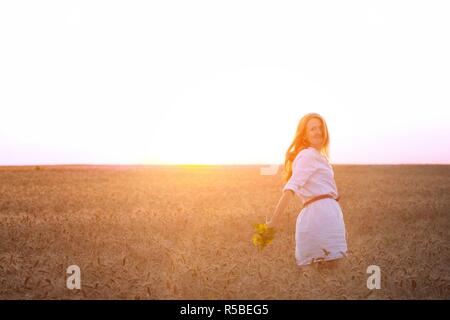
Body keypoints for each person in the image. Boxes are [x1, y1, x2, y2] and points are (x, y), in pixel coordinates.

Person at [267, 113, 348, 268]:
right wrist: (273, 222)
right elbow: (290, 188)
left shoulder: (319, 156)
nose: (318, 132)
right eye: (312, 129)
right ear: (304, 134)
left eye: (320, 128)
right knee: (321, 271)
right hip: (318, 217)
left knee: (333, 272)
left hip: (329, 216)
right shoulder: (307, 155)